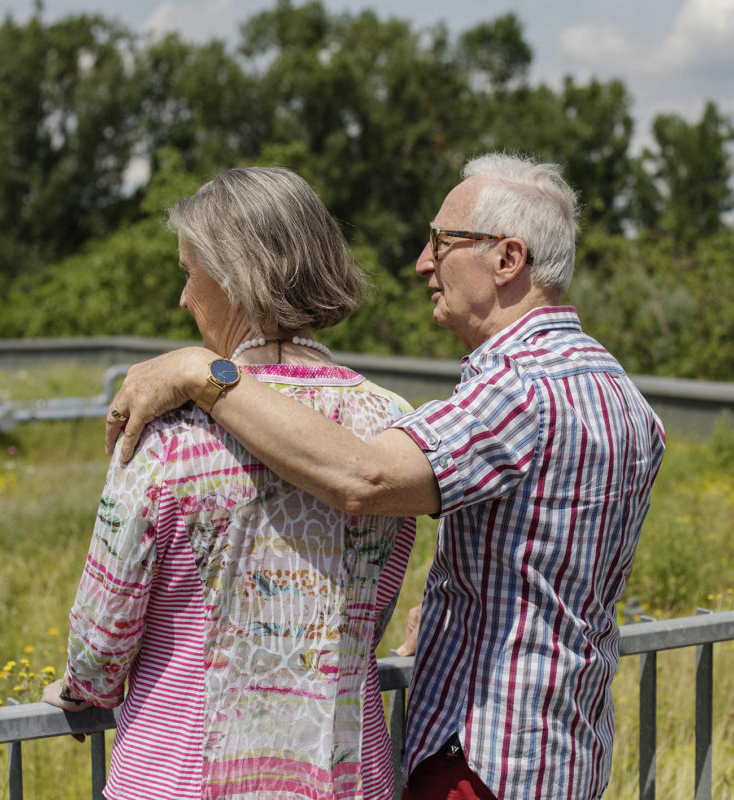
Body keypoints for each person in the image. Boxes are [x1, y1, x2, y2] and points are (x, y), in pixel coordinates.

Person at [105, 152, 666, 800]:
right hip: (566, 749)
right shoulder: (618, 390)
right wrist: (461, 606)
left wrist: (203, 373)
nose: (424, 263)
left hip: (482, 764)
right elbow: (553, 556)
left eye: (442, 242)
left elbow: (364, 479)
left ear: (508, 260)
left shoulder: (520, 390)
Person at [42, 166, 417, 800]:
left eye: (190, 273)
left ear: (235, 279)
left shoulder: (167, 427)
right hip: (348, 776)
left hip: (181, 774)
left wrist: (82, 688)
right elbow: (373, 606)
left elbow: (105, 638)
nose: (184, 299)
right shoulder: (395, 423)